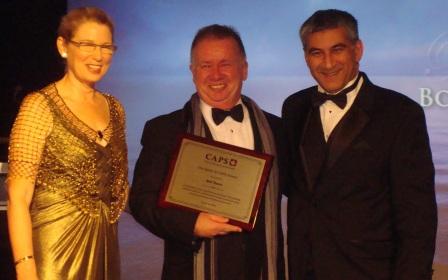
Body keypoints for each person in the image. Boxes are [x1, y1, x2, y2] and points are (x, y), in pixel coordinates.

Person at [282, 9, 438, 280]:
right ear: (306, 56)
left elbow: (418, 220)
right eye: (316, 52)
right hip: (304, 270)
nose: (328, 63)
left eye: (337, 50)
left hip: (371, 272)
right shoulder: (294, 107)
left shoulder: (401, 114)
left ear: (358, 50)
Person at [130, 24, 287, 280]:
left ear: (244, 69)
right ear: (193, 72)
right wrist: (191, 224)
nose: (215, 75)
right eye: (205, 65)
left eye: (225, 63)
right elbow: (142, 202)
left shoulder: (277, 129)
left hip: (262, 271)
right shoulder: (165, 130)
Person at [7, 7, 129, 280]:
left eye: (106, 47)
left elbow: (116, 188)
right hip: (55, 251)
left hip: (105, 247)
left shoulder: (115, 109)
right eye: (87, 44)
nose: (98, 56)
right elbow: (18, 197)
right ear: (63, 46)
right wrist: (25, 268)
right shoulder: (39, 106)